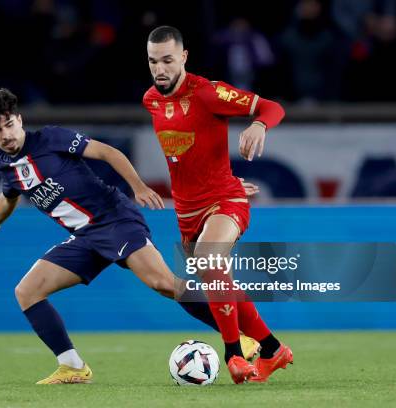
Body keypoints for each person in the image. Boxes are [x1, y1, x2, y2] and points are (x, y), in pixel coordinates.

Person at [0, 88, 258, 385]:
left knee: (163, 283)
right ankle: (73, 367)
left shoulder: (49, 138)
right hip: (85, 238)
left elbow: (108, 152)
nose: (6, 134)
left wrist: (138, 187)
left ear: (19, 120)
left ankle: (239, 337)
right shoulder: (7, 167)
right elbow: (8, 199)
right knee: (26, 292)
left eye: (9, 125)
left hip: (115, 220)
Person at [143, 26, 293, 384]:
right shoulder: (150, 99)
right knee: (216, 277)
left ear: (183, 57)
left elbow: (272, 107)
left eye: (167, 60)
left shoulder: (209, 93)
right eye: (152, 61)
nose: (159, 68)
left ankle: (234, 355)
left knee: (211, 260)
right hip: (187, 211)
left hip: (225, 202)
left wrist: (259, 125)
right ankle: (272, 350)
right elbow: (188, 157)